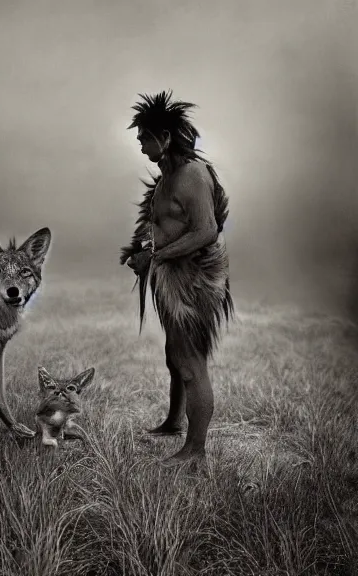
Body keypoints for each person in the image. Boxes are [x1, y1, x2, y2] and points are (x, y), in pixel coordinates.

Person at [120, 90, 234, 469]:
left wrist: (157, 256)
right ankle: (173, 422)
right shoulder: (167, 177)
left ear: (164, 137)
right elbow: (165, 225)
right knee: (174, 356)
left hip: (193, 282)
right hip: (172, 276)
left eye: (143, 138)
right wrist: (144, 253)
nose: (139, 145)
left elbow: (206, 231)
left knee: (190, 364)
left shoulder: (192, 175)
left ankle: (196, 451)